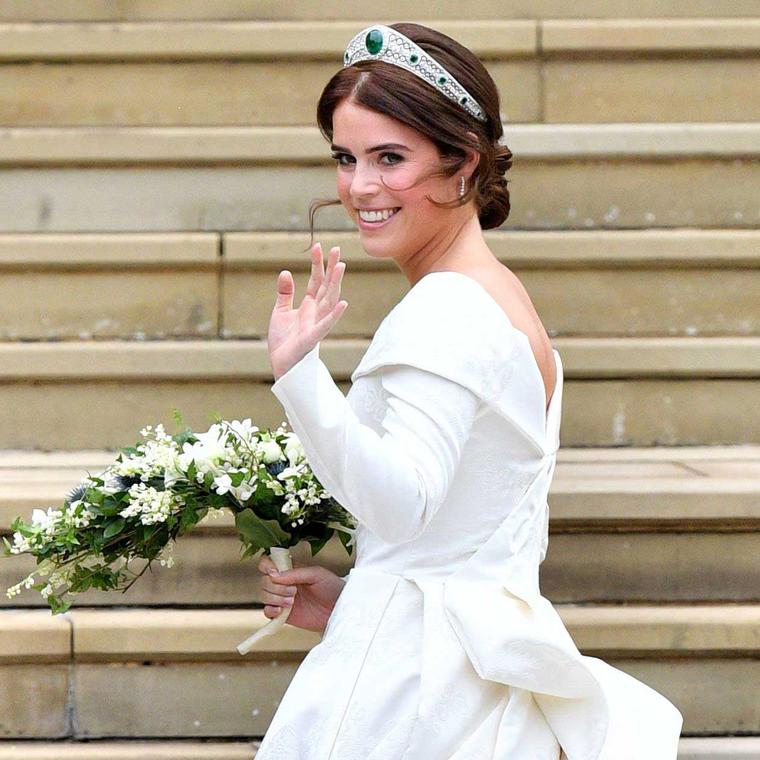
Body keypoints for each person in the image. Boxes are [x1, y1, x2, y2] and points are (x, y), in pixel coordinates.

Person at [254, 22, 683, 760]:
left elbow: (404, 505)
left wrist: (299, 376)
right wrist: (363, 599)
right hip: (464, 667)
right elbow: (468, 527)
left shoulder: (447, 307)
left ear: (463, 164)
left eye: (391, 158)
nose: (360, 187)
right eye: (346, 157)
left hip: (420, 697)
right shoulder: (500, 295)